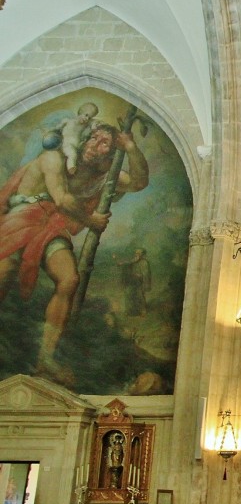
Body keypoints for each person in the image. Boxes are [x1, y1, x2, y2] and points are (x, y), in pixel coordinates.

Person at [0, 123, 149, 381]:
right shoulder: (54, 158)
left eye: (105, 143)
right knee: (4, 274)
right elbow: (61, 199)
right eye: (93, 138)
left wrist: (132, 148)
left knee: (69, 279)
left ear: (112, 153)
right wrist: (91, 220)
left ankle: (46, 357)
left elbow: (138, 182)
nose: (95, 145)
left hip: (51, 227)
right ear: (82, 139)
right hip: (22, 218)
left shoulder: (105, 176)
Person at [115, 248, 151, 316]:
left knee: (140, 295)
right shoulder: (134, 260)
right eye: (136, 253)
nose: (136, 255)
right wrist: (121, 263)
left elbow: (146, 274)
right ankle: (129, 310)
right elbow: (128, 263)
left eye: (138, 253)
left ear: (142, 255)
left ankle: (143, 310)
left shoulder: (144, 262)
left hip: (140, 282)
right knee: (128, 293)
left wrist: (139, 275)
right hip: (133, 281)